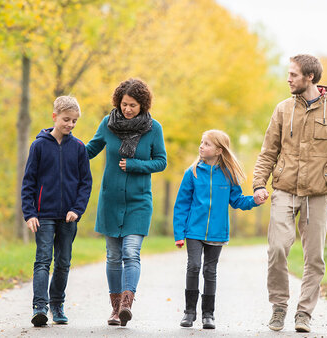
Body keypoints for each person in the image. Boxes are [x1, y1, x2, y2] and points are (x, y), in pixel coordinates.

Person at [253, 54, 327, 333]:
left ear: (310, 77)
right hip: (284, 189)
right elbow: (267, 152)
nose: (288, 79)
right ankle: (279, 306)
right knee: (277, 248)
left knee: (314, 258)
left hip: (318, 194)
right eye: (289, 74)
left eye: (294, 75)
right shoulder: (283, 109)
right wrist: (259, 183)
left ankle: (304, 313)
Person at [85, 78, 167, 327]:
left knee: (131, 253)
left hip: (138, 201)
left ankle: (126, 305)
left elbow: (161, 161)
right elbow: (90, 149)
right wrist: (61, 144)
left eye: (133, 105)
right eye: (124, 104)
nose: (127, 109)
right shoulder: (107, 124)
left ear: (143, 105)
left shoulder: (154, 128)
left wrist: (135, 165)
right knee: (112, 256)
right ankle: (114, 308)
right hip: (110, 200)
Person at [173, 129, 261, 330]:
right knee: (193, 266)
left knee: (210, 271)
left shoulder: (228, 175)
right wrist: (179, 233)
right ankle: (189, 312)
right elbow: (181, 205)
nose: (201, 146)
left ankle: (208, 315)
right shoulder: (192, 172)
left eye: (206, 144)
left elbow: (237, 200)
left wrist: (254, 200)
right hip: (193, 231)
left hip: (217, 231)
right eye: (201, 142)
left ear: (219, 150)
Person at [21, 95, 93, 327]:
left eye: (74, 121)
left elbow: (85, 183)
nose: (70, 124)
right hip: (43, 214)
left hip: (68, 216)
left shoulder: (79, 148)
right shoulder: (39, 145)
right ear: (54, 117)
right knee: (43, 260)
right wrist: (30, 213)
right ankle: (39, 307)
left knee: (63, 262)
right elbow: (29, 182)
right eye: (66, 119)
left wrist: (77, 209)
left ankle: (57, 304)